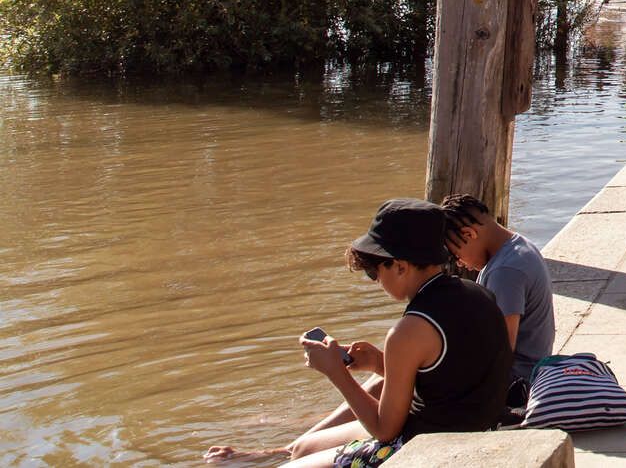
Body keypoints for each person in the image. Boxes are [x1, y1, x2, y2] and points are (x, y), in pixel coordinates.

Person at [207, 200, 512, 465]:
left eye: (373, 272)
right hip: (471, 428)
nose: (375, 281)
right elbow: (453, 376)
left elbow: (385, 430)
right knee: (301, 448)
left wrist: (336, 373)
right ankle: (268, 454)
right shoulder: (476, 292)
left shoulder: (408, 330)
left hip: (428, 447)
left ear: (401, 266)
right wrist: (381, 364)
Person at [439, 195, 555, 405]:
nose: (460, 264)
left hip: (518, 382)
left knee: (400, 381)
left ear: (469, 234)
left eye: (456, 255)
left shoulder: (505, 272)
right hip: (530, 368)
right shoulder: (517, 245)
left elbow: (501, 352)